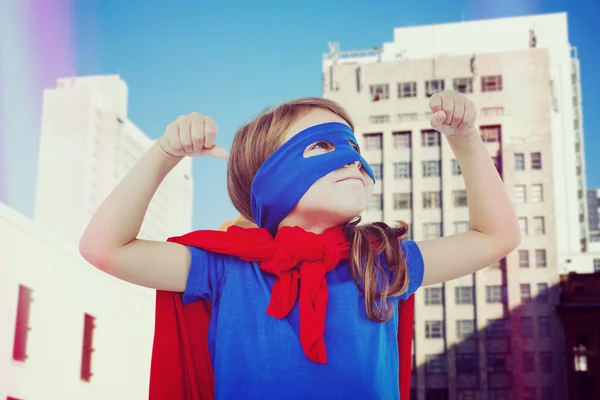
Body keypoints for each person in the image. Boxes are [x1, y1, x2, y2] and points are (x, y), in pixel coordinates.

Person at [79, 89, 520, 399]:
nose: (352, 157)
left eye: (353, 145)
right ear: (265, 178)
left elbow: (496, 237)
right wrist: (165, 153)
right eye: (323, 145)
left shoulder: (381, 261)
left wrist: (466, 139)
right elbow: (104, 248)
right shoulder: (222, 268)